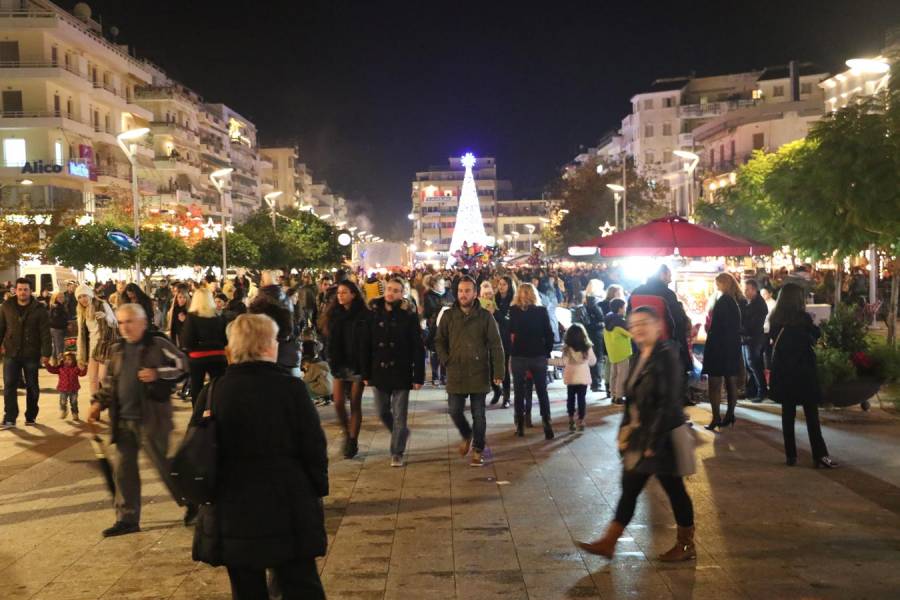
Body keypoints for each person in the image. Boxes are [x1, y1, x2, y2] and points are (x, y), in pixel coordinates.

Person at [191, 313, 328, 599]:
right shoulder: (290, 388)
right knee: (301, 584)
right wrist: (316, 490)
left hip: (233, 509)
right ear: (266, 346)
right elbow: (313, 446)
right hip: (287, 504)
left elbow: (196, 448)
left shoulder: (214, 392)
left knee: (246, 589)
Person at [576, 306, 696, 562]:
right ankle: (608, 542)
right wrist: (624, 431)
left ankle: (686, 544)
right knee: (631, 488)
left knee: (674, 490)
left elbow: (667, 402)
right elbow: (632, 401)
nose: (638, 328)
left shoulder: (667, 356)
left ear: (657, 326)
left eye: (644, 323)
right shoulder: (640, 356)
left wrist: (652, 442)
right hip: (642, 436)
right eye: (634, 324)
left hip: (663, 437)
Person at [88, 303, 192, 537]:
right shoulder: (117, 349)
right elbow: (111, 383)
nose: (125, 327)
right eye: (121, 322)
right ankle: (127, 519)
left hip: (152, 419)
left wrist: (158, 374)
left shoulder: (158, 344)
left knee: (165, 467)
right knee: (124, 471)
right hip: (123, 420)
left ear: (143, 323)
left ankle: (192, 502)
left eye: (130, 322)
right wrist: (98, 403)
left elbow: (183, 364)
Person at [436, 276, 505, 467]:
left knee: (479, 414)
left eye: (467, 291)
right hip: (456, 370)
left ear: (475, 294)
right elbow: (439, 341)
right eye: (460, 291)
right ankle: (467, 434)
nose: (463, 294)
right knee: (454, 410)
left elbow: (496, 345)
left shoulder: (485, 317)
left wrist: (498, 372)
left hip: (478, 371)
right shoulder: (449, 315)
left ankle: (478, 449)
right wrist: (446, 359)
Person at [768, 284, 838, 469]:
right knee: (811, 416)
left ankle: (791, 455)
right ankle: (820, 454)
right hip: (804, 371)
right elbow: (816, 335)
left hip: (784, 371)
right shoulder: (803, 319)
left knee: (788, 414)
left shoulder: (775, 319)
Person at [361, 277, 425, 467]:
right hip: (379, 370)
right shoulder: (373, 313)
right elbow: (365, 344)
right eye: (389, 289)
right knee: (382, 411)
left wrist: (418, 376)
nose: (391, 293)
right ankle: (401, 434)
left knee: (399, 416)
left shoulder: (408, 315)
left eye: (396, 290)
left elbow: (417, 347)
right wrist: (365, 373)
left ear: (402, 293)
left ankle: (397, 452)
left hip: (401, 371)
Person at [324, 280, 369, 459]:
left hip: (358, 363)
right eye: (339, 293)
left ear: (353, 294)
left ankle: (352, 440)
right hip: (340, 362)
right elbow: (329, 339)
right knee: (338, 402)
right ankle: (346, 430)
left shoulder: (364, 315)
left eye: (344, 292)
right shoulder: (334, 314)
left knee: (355, 402)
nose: (340, 296)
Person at [0, 278, 51, 428]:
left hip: (31, 353)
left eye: (25, 289)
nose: (22, 292)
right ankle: (10, 418)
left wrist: (46, 353)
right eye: (20, 289)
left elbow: (45, 333)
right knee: (9, 385)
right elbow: (1, 327)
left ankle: (31, 416)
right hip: (11, 352)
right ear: (15, 290)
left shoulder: (39, 308)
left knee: (32, 386)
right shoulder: (6, 306)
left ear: (31, 291)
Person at [509, 283, 556, 439]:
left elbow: (510, 332)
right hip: (538, 355)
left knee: (519, 392)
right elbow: (549, 334)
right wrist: (546, 351)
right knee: (542, 391)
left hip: (519, 355)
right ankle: (547, 423)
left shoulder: (513, 311)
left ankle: (520, 425)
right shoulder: (541, 311)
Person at [702, 273, 745, 431]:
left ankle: (716, 417)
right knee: (730, 381)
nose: (716, 286)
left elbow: (717, 326)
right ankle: (730, 414)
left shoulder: (723, 301)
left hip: (718, 346)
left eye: (717, 283)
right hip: (732, 346)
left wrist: (709, 330)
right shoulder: (736, 300)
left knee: (714, 383)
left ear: (722, 284)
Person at [181, 288, 228, 406]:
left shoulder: (192, 317)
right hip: (218, 355)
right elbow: (225, 339)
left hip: (198, 357)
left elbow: (187, 341)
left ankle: (198, 412)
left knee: (197, 387)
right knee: (218, 387)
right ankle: (217, 410)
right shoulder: (218, 316)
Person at [75, 283, 117, 396]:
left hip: (105, 346)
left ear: (90, 294)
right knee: (92, 378)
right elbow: (80, 335)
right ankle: (95, 403)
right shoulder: (81, 312)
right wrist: (79, 356)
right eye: (79, 297)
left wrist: (106, 316)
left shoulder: (102, 305)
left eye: (84, 295)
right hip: (92, 348)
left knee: (103, 377)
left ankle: (111, 400)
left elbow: (115, 324)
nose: (82, 299)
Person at [560, 323, 596, 432]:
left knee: (570, 398)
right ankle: (581, 420)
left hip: (571, 378)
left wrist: (547, 361)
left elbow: (563, 362)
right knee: (581, 399)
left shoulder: (567, 348)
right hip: (583, 378)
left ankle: (571, 419)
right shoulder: (587, 347)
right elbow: (593, 361)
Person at [741, 279, 769, 403]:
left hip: (754, 338)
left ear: (753, 290)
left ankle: (761, 391)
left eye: (747, 289)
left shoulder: (759, 304)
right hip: (747, 338)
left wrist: (741, 329)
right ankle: (752, 390)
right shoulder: (749, 302)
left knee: (754, 365)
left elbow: (753, 324)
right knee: (749, 365)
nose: (745, 292)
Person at [423, 276, 452, 386]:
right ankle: (435, 376)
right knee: (435, 353)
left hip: (448, 328)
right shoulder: (428, 296)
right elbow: (428, 312)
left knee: (445, 351)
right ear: (434, 285)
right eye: (440, 284)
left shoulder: (448, 293)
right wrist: (441, 308)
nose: (442, 286)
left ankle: (444, 376)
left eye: (443, 283)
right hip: (434, 328)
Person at [492, 276, 515, 408]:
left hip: (505, 339)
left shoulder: (512, 300)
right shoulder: (495, 298)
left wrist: (495, 312)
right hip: (492, 337)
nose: (501, 286)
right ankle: (497, 390)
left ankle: (506, 397)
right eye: (499, 284)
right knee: (491, 367)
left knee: (504, 368)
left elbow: (507, 322)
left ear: (509, 286)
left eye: (504, 284)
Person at [47, 351, 86, 420]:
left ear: (73, 360)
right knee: (63, 401)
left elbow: (82, 374)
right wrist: (47, 364)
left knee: (74, 402)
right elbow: (52, 370)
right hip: (63, 389)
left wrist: (84, 368)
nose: (67, 361)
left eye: (69, 359)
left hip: (73, 389)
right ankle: (63, 411)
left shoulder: (75, 368)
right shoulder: (60, 368)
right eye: (65, 359)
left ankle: (75, 413)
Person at [584, 279, 607, 393]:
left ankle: (594, 382)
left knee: (593, 356)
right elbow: (601, 317)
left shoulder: (586, 299)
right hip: (596, 332)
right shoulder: (594, 301)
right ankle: (596, 383)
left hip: (589, 331)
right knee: (598, 357)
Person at [301, 338, 333, 406]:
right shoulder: (323, 362)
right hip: (331, 389)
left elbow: (306, 379)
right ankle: (326, 399)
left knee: (303, 384)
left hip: (324, 390)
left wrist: (304, 372)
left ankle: (316, 399)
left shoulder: (314, 365)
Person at [49, 291, 70, 361]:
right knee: (59, 346)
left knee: (56, 346)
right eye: (59, 297)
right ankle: (59, 362)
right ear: (55, 298)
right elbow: (57, 319)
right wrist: (66, 324)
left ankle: (54, 362)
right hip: (57, 329)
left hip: (56, 328)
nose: (61, 298)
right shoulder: (56, 306)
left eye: (63, 297)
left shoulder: (61, 305)